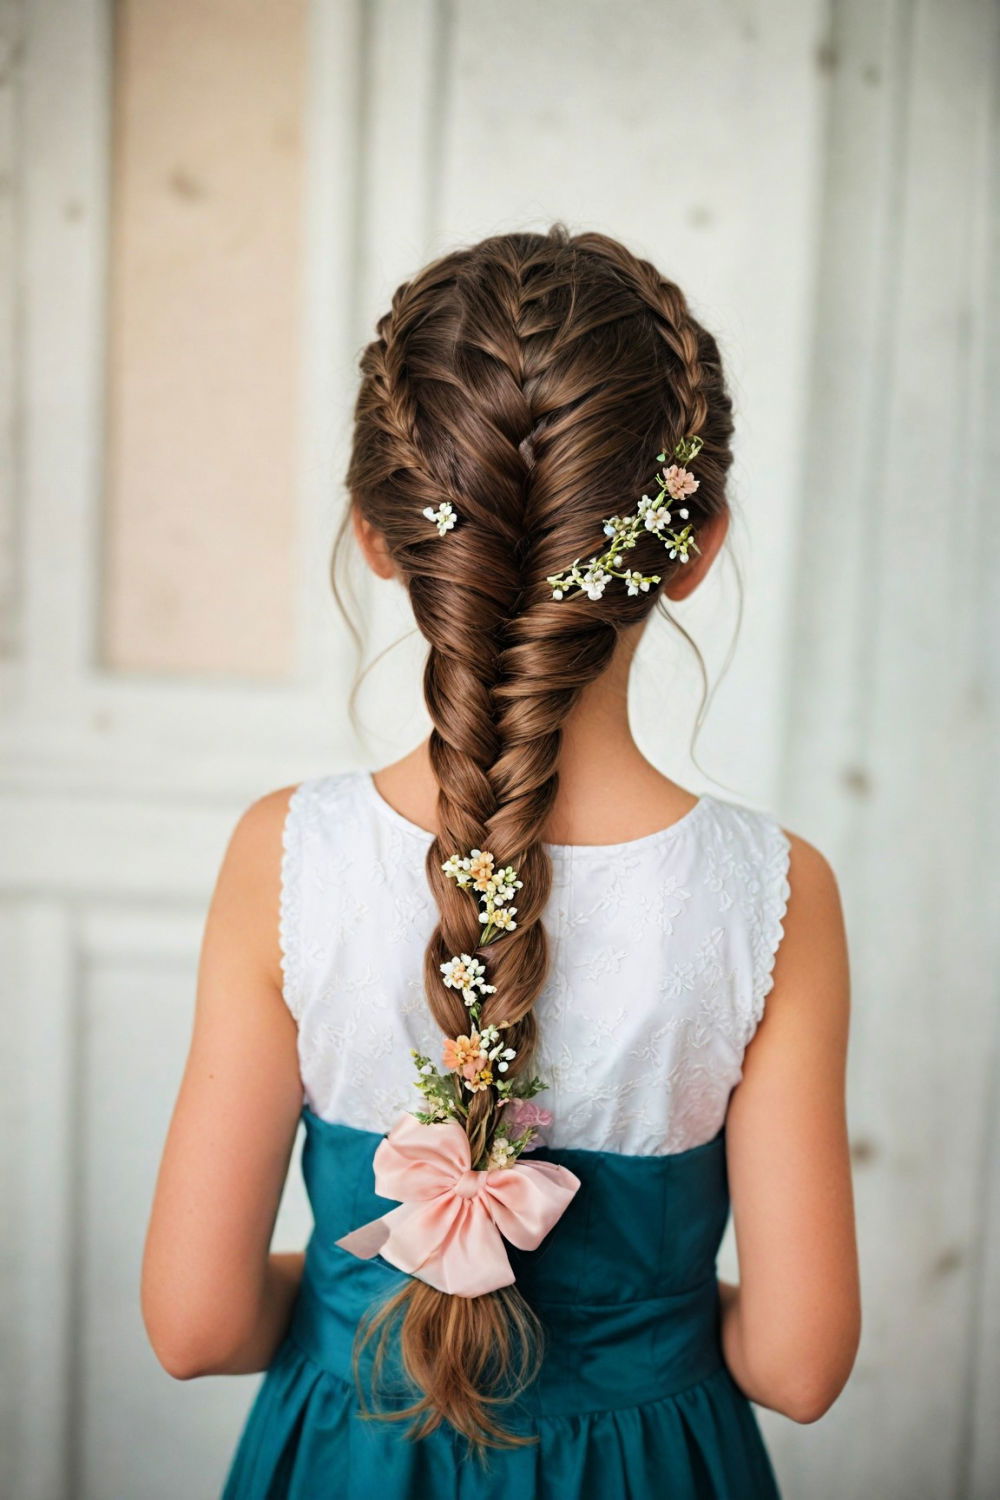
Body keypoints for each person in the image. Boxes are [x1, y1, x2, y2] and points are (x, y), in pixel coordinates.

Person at [142, 225, 861, 1499]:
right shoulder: (773, 895)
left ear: (380, 535)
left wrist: (374, 1290)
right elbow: (799, 1367)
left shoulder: (287, 856)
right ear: (695, 547)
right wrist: (637, 1312)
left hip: (348, 1459)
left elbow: (195, 1325)